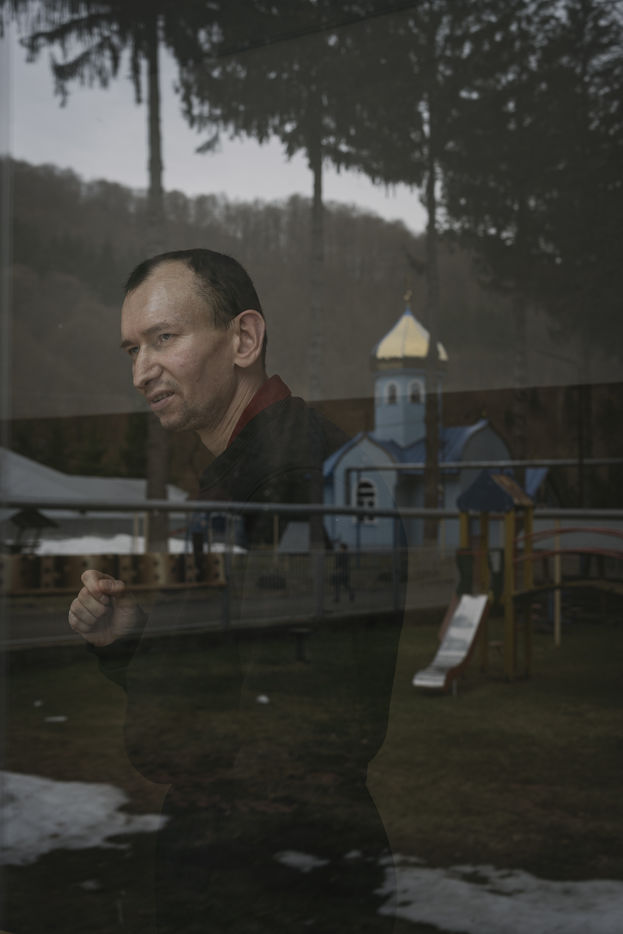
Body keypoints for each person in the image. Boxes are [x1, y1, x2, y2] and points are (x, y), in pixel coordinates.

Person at [68, 249, 402, 933]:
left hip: (272, 877)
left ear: (244, 339)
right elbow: (225, 676)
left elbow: (300, 729)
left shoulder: (293, 484)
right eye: (132, 350)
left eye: (164, 338)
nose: (140, 371)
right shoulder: (247, 477)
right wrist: (128, 638)